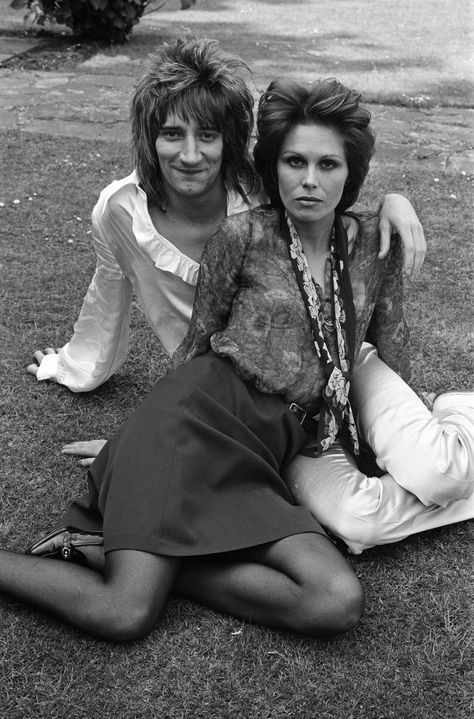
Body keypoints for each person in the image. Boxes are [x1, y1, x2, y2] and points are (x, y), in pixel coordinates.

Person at [3, 75, 471, 643]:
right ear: (273, 167)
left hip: (268, 452)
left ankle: (119, 552)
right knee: (123, 612)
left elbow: (386, 346)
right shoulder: (242, 234)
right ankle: (114, 555)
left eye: (329, 166)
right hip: (196, 424)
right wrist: (135, 441)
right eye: (294, 162)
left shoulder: (372, 243)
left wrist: (401, 429)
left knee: (333, 601)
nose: (310, 179)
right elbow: (199, 342)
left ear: (351, 174)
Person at [26, 36, 425, 393]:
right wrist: (74, 367)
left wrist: (393, 201)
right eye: (171, 134)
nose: (190, 155)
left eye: (207, 135)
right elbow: (107, 291)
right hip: (213, 387)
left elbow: (322, 204)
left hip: (297, 372)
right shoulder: (120, 212)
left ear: (229, 141)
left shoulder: (257, 193)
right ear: (149, 139)